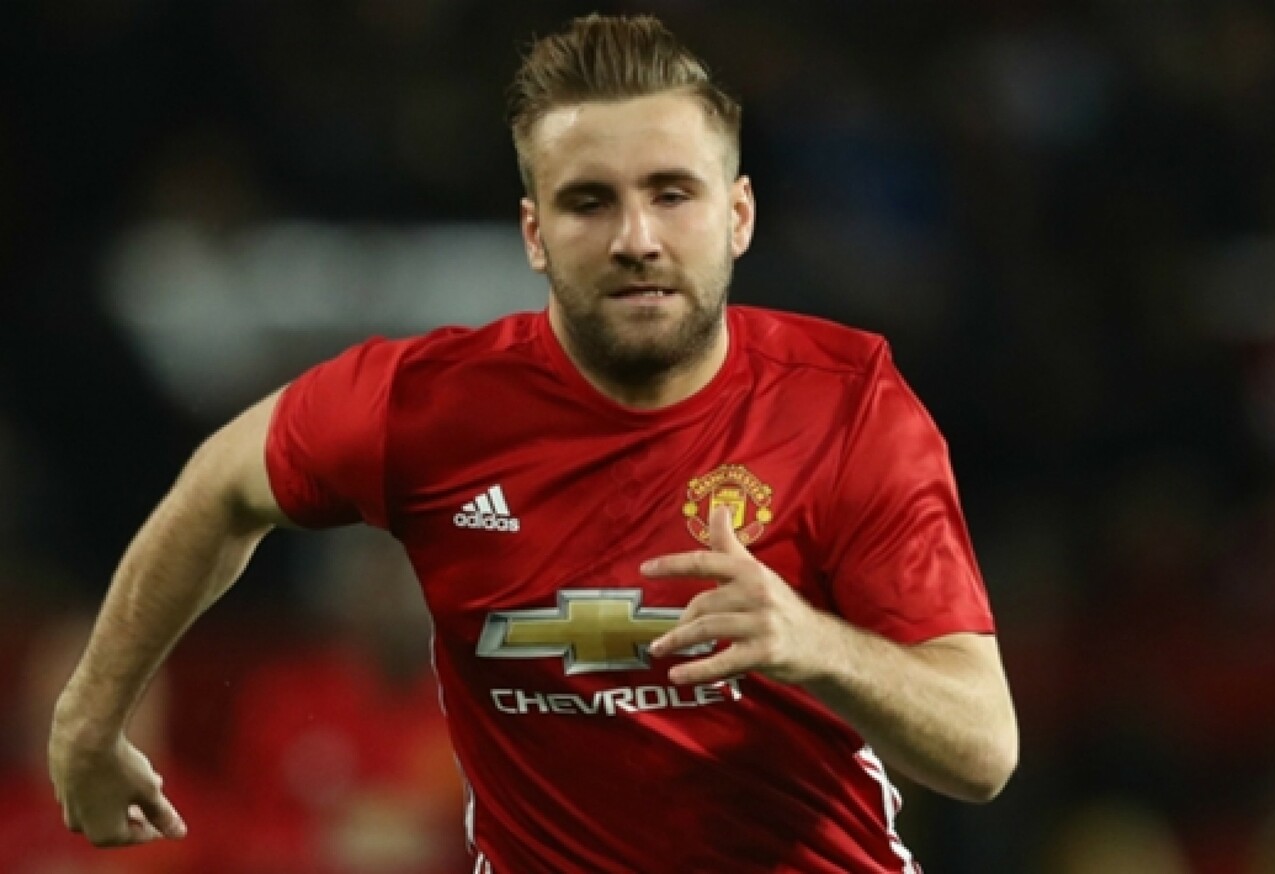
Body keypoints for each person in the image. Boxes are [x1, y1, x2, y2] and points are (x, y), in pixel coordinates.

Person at [49, 13, 1017, 872]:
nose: (636, 238)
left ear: (738, 216)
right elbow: (220, 489)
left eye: (672, 194)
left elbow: (981, 748)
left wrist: (815, 643)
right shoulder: (427, 406)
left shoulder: (846, 406)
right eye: (589, 201)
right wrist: (90, 720)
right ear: (533, 233)